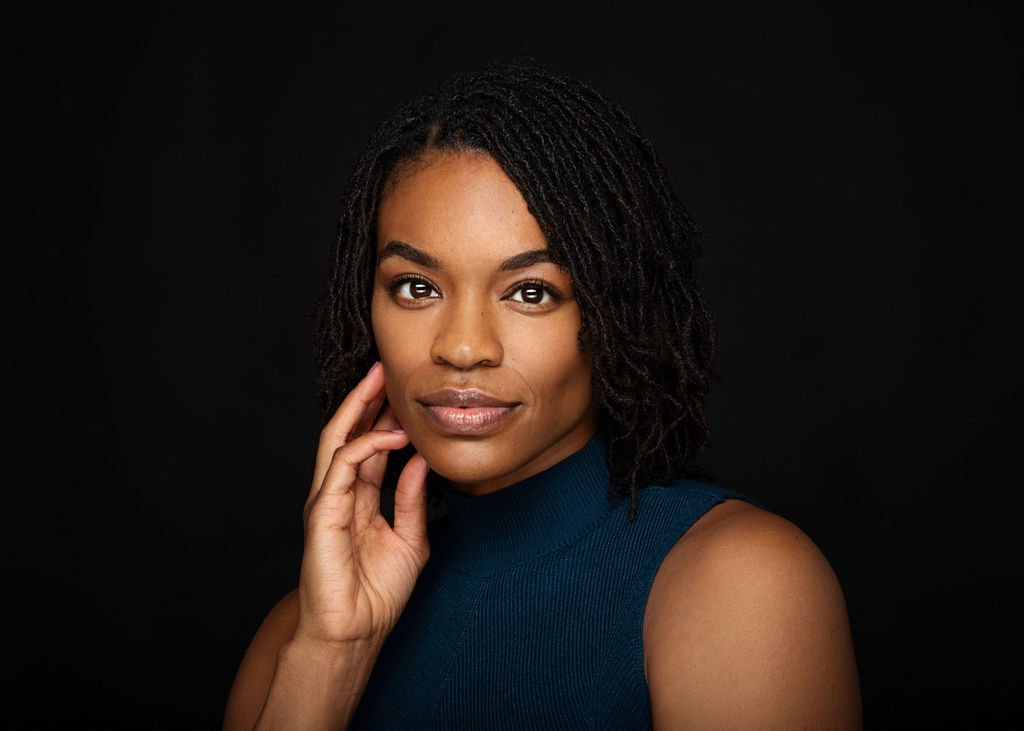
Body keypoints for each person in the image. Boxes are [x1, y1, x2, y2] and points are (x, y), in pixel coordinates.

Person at [222, 61, 862, 730]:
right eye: (417, 287)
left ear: (616, 315)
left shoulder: (739, 583)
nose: (463, 346)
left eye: (531, 292)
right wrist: (330, 655)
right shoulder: (299, 633)